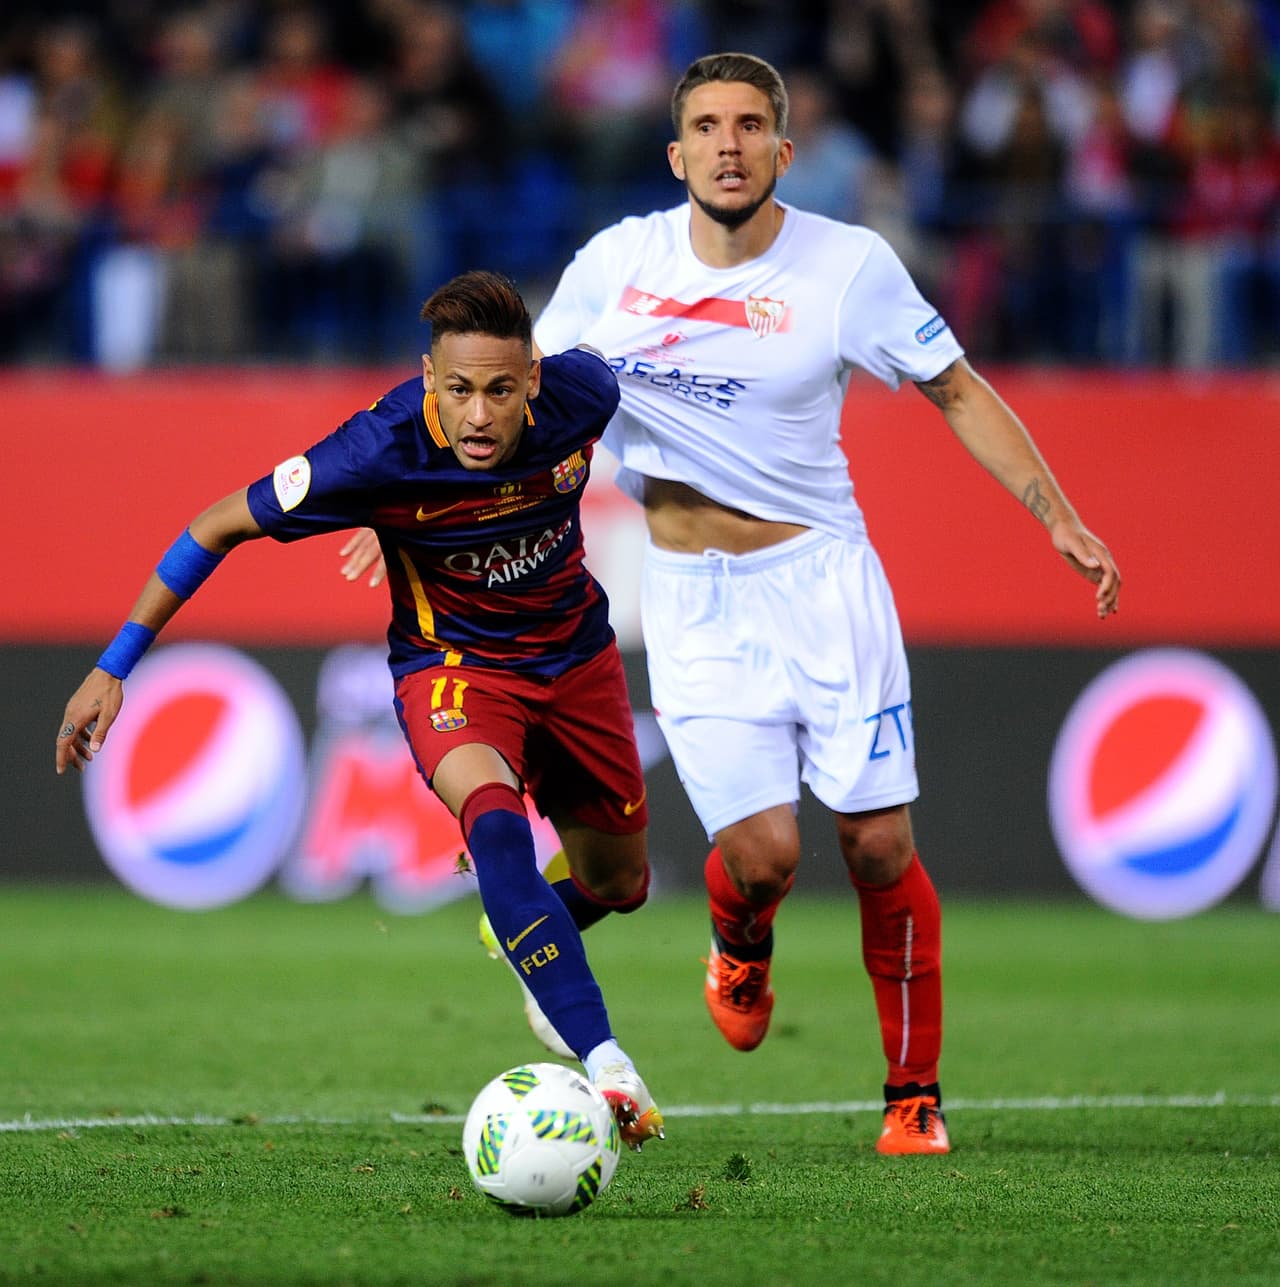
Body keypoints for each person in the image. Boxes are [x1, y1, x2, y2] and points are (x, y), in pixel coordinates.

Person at [342, 52, 1122, 1155]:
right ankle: (738, 940)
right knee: (761, 859)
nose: (726, 143)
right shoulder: (619, 261)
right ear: (675, 152)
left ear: (781, 149)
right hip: (693, 599)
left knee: (877, 847)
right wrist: (415, 505)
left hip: (822, 581)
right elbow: (510, 393)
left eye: (749, 124)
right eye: (705, 125)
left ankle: (911, 1100)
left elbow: (954, 387)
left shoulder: (846, 266)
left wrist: (1056, 514)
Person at [55, 269, 664, 1151]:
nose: (481, 415)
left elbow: (672, 402)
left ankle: (531, 932)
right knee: (493, 822)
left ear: (534, 379)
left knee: (620, 883)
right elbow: (213, 525)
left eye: (500, 389)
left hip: (577, 660)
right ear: (428, 380)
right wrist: (115, 664)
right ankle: (608, 1063)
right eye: (458, 391)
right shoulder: (371, 451)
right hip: (455, 672)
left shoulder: (585, 394)